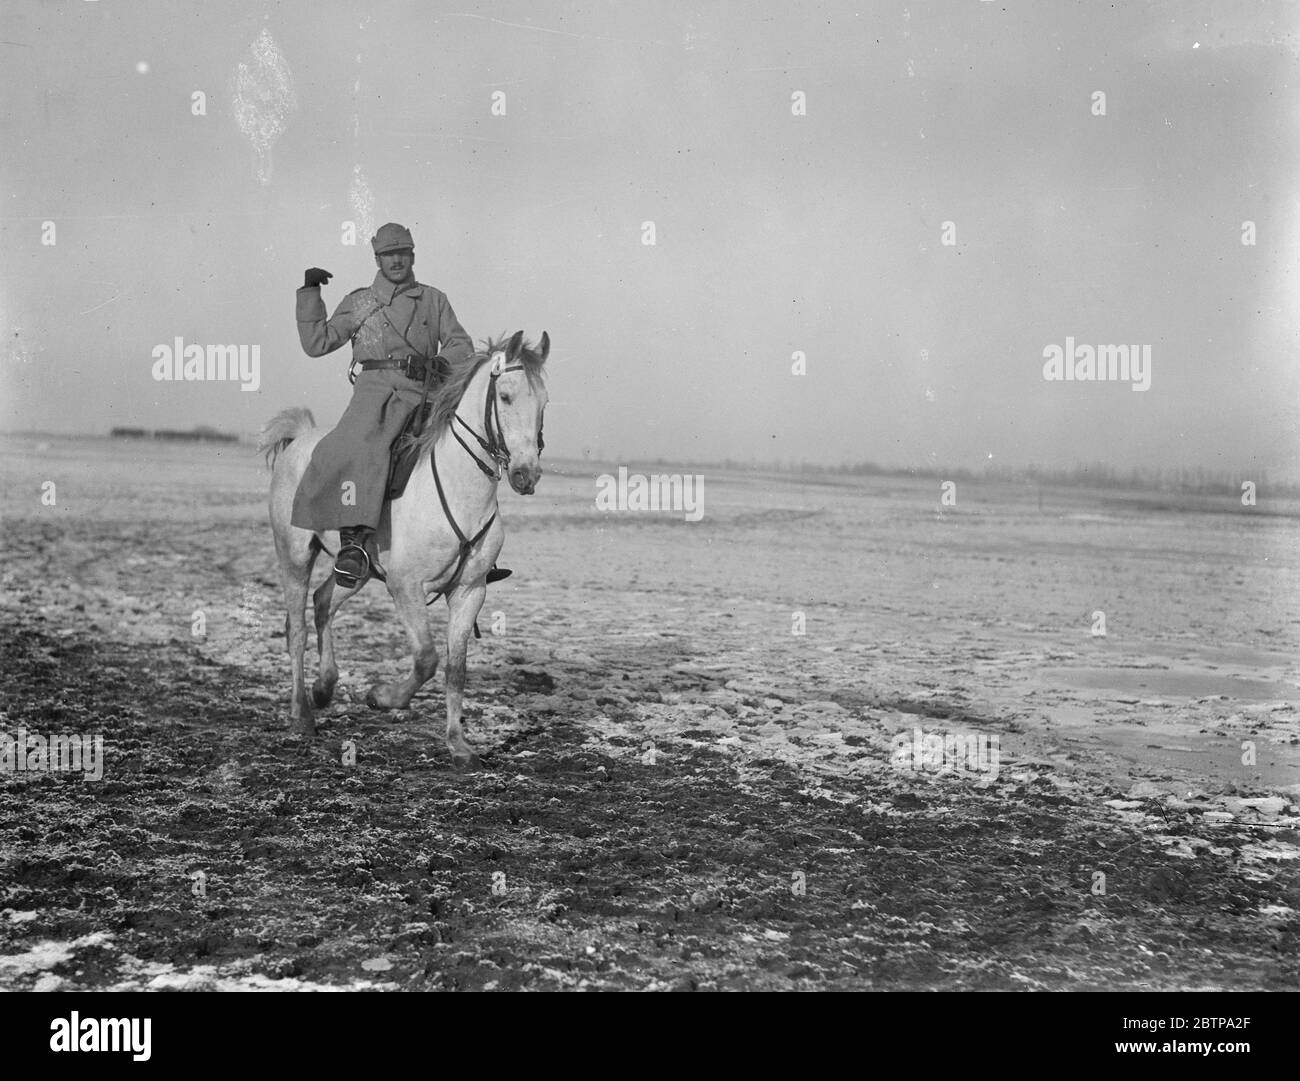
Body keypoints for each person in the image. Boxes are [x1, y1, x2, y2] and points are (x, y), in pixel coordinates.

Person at [292, 222, 510, 588]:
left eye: (402, 253)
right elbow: (317, 342)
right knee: (358, 450)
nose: (396, 261)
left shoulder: (433, 299)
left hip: (426, 391)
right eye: (388, 255)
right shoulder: (360, 302)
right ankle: (353, 545)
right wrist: (310, 291)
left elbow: (460, 344)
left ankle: (476, 553)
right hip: (374, 394)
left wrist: (442, 362)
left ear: (412, 255)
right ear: (377, 259)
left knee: (464, 448)